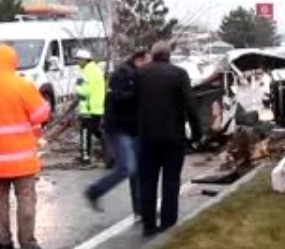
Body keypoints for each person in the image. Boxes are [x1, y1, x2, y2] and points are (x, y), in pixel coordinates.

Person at [0, 44, 55, 249]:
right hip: (21, 160)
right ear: (13, 61)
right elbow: (41, 113)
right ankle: (28, 247)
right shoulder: (21, 85)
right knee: (26, 201)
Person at [135, 41, 202, 238]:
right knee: (171, 181)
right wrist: (197, 133)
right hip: (173, 136)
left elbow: (130, 103)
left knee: (147, 181)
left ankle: (148, 224)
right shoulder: (179, 74)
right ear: (168, 55)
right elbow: (190, 106)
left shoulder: (140, 74)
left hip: (146, 137)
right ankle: (167, 222)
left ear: (153, 55)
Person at [84, 50, 147, 215]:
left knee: (137, 169)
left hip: (132, 129)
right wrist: (136, 94)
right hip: (119, 129)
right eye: (148, 62)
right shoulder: (123, 75)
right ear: (138, 59)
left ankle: (140, 208)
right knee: (126, 168)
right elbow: (114, 99)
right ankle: (94, 191)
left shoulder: (136, 75)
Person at [74, 49, 105, 164]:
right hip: (96, 107)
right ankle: (111, 152)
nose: (77, 62)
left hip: (88, 107)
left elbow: (84, 91)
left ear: (84, 60)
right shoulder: (95, 70)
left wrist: (77, 88)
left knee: (85, 132)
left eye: (78, 59)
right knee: (96, 131)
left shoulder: (87, 72)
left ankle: (85, 156)